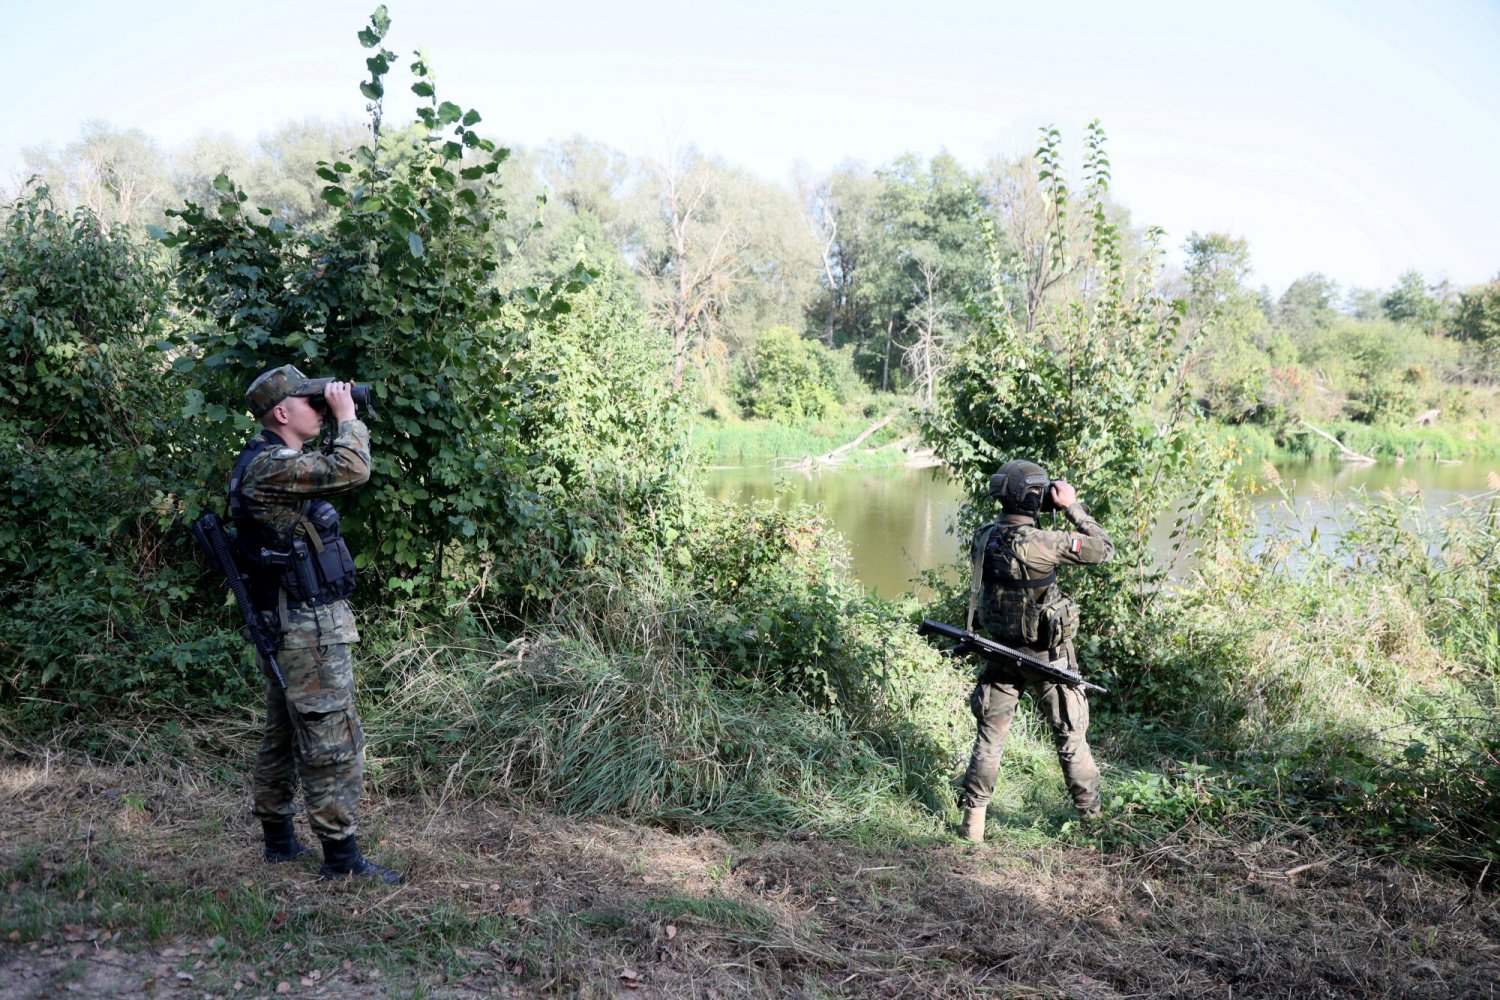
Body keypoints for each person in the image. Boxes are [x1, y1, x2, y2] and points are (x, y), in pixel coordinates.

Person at [231, 363, 402, 884]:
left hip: (289, 622)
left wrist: (334, 409)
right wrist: (349, 416)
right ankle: (341, 858)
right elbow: (352, 467)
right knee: (331, 736)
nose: (322, 408)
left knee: (284, 732)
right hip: (304, 626)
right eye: (312, 403)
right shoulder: (271, 466)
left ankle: (279, 842)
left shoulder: (267, 463)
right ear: (281, 413)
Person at [957, 459, 1114, 842]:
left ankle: (972, 824)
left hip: (999, 652)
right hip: (1047, 657)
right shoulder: (1045, 542)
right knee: (1071, 737)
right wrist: (1071, 506)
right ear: (1034, 499)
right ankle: (1093, 824)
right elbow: (1104, 549)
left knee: (989, 739)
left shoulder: (984, 537)